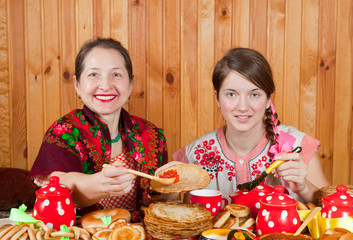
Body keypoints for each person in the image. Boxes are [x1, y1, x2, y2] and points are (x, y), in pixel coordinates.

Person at [29, 38, 168, 218]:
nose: (105, 85)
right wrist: (101, 184)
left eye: (116, 75)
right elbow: (59, 184)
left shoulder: (151, 134)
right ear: (77, 85)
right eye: (94, 74)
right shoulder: (62, 131)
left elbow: (162, 201)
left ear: (131, 84)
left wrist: (171, 184)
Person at [170, 47, 329, 203]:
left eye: (254, 94)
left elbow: (335, 212)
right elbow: (168, 211)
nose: (243, 106)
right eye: (231, 94)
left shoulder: (296, 146)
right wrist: (166, 190)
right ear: (217, 98)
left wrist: (304, 188)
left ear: (268, 99)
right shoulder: (195, 154)